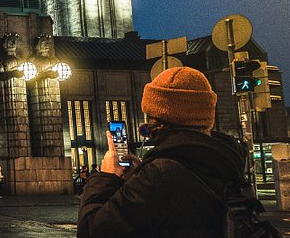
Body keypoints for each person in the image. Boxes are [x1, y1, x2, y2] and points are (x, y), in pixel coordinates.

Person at [78, 66, 247, 237]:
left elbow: (91, 231)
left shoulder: (159, 175)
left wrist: (106, 177)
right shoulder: (229, 163)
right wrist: (139, 174)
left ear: (157, 117)